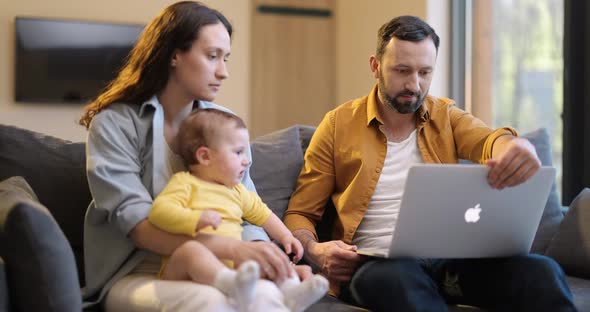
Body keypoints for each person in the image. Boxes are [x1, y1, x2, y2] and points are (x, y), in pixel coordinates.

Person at [283, 15, 577, 312]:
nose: (414, 84)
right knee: (399, 281)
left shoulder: (445, 115)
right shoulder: (337, 124)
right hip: (377, 267)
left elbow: (488, 140)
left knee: (541, 272)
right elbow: (299, 212)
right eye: (402, 71)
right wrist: (316, 250)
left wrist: (515, 146)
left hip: (452, 263)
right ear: (375, 66)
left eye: (425, 72)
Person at [80, 2, 312, 311]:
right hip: (136, 273)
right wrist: (232, 249)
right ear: (174, 54)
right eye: (212, 56)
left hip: (221, 267)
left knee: (266, 296)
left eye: (225, 58)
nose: (223, 71)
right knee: (210, 301)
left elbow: (246, 210)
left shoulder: (224, 124)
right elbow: (137, 225)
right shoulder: (114, 124)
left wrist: (264, 258)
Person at [147, 108, 329, 312]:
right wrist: (195, 219)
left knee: (259, 256)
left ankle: (290, 290)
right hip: (182, 270)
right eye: (238, 152)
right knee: (191, 250)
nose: (247, 160)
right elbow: (159, 212)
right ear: (205, 156)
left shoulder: (237, 191)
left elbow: (263, 214)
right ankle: (229, 283)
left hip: (233, 266)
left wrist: (286, 237)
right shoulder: (184, 183)